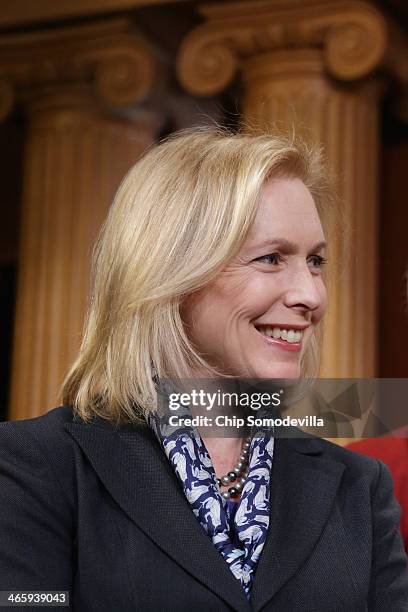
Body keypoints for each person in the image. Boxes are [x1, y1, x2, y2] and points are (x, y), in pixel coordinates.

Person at [0, 128, 407, 611]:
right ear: (171, 271)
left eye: (315, 261)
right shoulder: (34, 465)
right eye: (271, 258)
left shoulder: (360, 486)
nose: (312, 295)